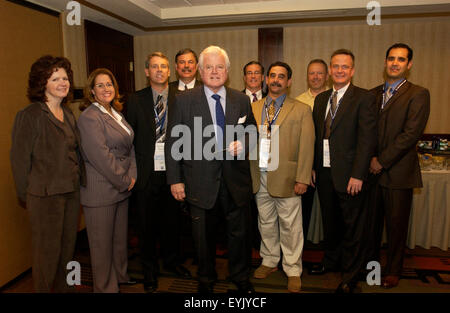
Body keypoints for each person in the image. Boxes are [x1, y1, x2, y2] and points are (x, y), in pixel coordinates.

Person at [165, 45, 257, 294]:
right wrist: (175, 180)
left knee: (239, 236)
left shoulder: (241, 98)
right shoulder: (183, 100)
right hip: (199, 181)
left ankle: (240, 278)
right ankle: (206, 280)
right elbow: (173, 141)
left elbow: (252, 130)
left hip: (235, 182)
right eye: (209, 67)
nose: (214, 71)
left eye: (219, 67)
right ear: (200, 71)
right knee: (202, 238)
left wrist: (245, 142)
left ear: (227, 71)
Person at [10, 55, 86, 292]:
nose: (63, 83)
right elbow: (19, 159)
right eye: (56, 79)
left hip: (70, 193)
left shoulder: (68, 113)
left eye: (65, 78)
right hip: (44, 196)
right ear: (42, 82)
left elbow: (75, 153)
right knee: (47, 256)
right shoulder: (31, 115)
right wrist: (29, 195)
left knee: (67, 252)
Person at [311, 49, 377, 293]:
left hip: (351, 176)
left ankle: (351, 275)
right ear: (330, 70)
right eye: (335, 66)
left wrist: (358, 174)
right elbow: (318, 137)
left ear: (352, 70)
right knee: (331, 223)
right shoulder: (321, 99)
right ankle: (331, 261)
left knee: (352, 227)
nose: (339, 70)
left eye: (345, 67)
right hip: (325, 173)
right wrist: (313, 167)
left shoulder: (364, 97)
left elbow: (367, 140)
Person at [126, 52, 191, 293]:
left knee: (172, 223)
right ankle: (149, 271)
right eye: (154, 67)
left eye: (164, 67)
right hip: (145, 174)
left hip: (174, 172)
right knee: (146, 226)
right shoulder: (135, 100)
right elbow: (128, 139)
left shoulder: (183, 98)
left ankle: (172, 263)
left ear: (170, 71)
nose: (160, 71)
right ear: (147, 72)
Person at [367, 43, 430, 289]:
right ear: (385, 62)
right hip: (371, 173)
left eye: (401, 60)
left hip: (398, 173)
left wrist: (381, 160)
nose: (395, 63)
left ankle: (394, 271)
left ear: (409, 65)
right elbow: (367, 132)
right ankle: (371, 267)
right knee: (371, 227)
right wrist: (369, 160)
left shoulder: (418, 93)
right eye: (391, 58)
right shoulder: (373, 94)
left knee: (395, 227)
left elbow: (410, 134)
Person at [250, 61, 315, 293]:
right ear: (267, 80)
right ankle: (269, 261)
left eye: (282, 76)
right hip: (259, 175)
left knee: (290, 226)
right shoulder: (254, 108)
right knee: (265, 222)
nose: (276, 80)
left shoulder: (301, 109)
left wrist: (302, 178)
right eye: (273, 76)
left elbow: (307, 147)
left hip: (288, 177)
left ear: (288, 81)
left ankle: (293, 269)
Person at [77, 68, 137, 293]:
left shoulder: (116, 113)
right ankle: (105, 288)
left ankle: (120, 277)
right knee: (101, 245)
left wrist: (131, 175)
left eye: (109, 84)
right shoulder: (90, 117)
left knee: (118, 241)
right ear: (91, 91)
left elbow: (129, 147)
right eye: (100, 85)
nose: (105, 89)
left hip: (121, 185)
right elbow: (100, 156)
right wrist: (124, 179)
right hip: (101, 189)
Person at [295, 59, 329, 239]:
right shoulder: (298, 102)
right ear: (307, 76)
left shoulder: (335, 98)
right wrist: (307, 167)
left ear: (327, 76)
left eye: (320, 73)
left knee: (331, 213)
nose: (315, 77)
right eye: (312, 73)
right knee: (303, 212)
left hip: (331, 164)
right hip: (306, 165)